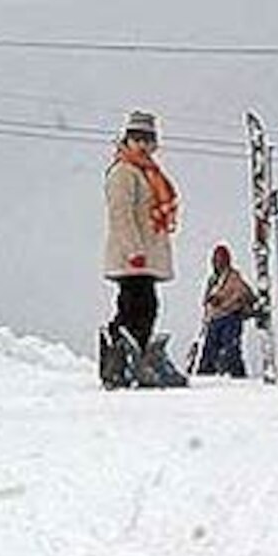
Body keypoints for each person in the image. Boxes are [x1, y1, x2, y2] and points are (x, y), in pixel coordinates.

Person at [99, 110, 187, 388]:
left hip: (145, 254)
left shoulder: (147, 172)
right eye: (138, 139)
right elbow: (121, 214)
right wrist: (133, 249)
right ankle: (123, 360)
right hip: (133, 256)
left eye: (149, 139)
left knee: (143, 306)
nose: (145, 145)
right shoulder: (124, 171)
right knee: (137, 305)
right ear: (128, 139)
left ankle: (133, 358)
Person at [196, 243, 254, 377]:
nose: (218, 263)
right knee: (209, 350)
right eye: (216, 260)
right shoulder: (213, 280)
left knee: (230, 349)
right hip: (215, 318)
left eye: (220, 259)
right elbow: (207, 299)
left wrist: (224, 302)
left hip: (230, 317)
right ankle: (205, 374)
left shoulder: (233, 277)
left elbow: (243, 294)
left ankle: (237, 374)